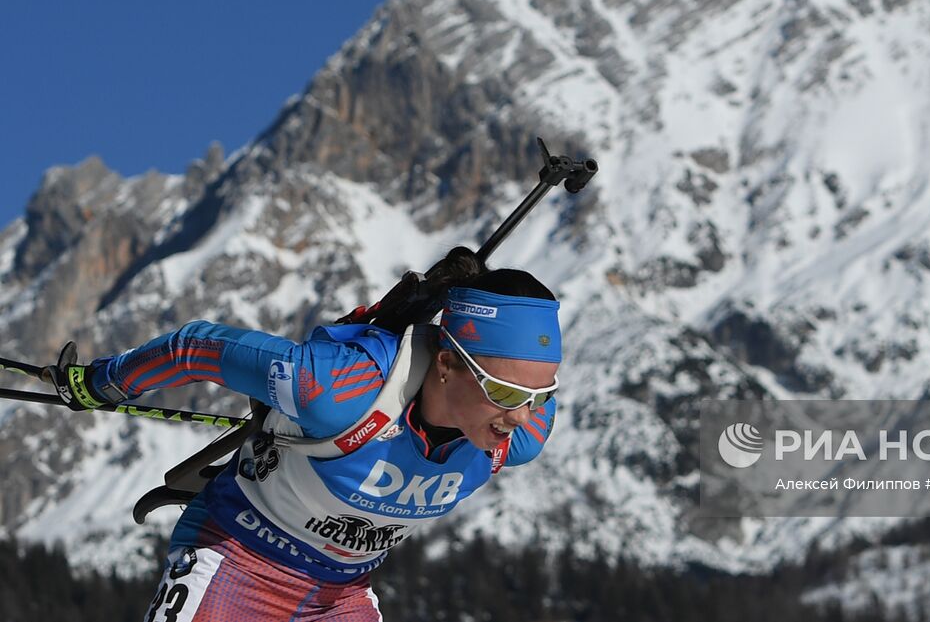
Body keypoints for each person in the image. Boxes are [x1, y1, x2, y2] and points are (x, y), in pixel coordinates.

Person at [46, 266, 561, 622]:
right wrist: (103, 383)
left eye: (540, 396)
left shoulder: (519, 436)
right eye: (502, 390)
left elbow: (525, 394)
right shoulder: (341, 389)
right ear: (445, 364)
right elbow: (196, 348)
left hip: (337, 598)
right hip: (236, 564)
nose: (518, 415)